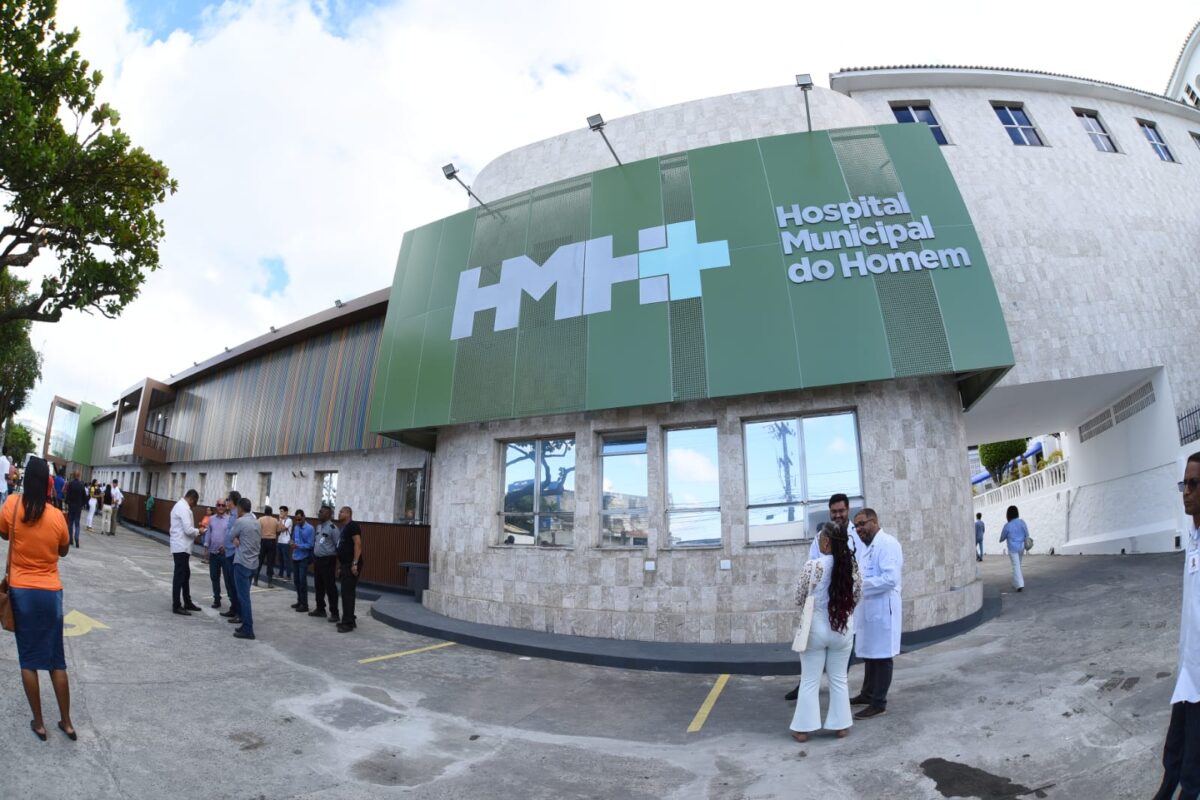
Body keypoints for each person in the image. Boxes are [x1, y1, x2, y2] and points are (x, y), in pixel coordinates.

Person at [0, 457, 75, 741]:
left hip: (21, 591)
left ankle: (40, 723)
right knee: (57, 661)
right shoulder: (56, 516)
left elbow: (3, 533)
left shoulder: (12, 504)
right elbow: (63, 550)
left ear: (24, 478)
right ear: (47, 483)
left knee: (29, 660)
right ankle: (67, 723)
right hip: (51, 592)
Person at [787, 492, 866, 702]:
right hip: (825, 607)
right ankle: (813, 689)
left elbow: (858, 580)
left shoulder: (857, 536)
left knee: (838, 670)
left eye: (841, 511)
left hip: (842, 607)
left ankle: (831, 692)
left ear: (848, 510)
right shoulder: (820, 536)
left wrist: (844, 601)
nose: (837, 515)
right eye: (834, 511)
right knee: (814, 670)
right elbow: (812, 565)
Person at [1153, 453, 1200, 800]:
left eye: (1194, 484)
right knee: (1176, 744)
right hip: (1188, 663)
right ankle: (1168, 788)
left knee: (1195, 759)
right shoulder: (1192, 535)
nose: (1186, 492)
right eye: (1184, 484)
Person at [790, 522, 862, 742]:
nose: (819, 541)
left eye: (820, 537)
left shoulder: (813, 566)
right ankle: (841, 725)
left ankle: (803, 729)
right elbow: (857, 595)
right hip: (842, 627)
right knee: (839, 678)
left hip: (816, 627)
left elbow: (798, 598)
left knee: (810, 680)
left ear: (827, 541)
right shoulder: (851, 566)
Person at [851, 508, 903, 720]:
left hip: (883, 609)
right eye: (857, 526)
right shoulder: (867, 548)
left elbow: (890, 579)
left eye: (862, 524)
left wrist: (859, 585)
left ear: (874, 521)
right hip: (870, 609)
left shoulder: (887, 544)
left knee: (882, 656)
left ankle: (879, 703)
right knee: (871, 655)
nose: (859, 529)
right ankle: (867, 694)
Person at [230, 497, 260, 640]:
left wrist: (237, 539)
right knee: (245, 596)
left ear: (240, 508)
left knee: (244, 598)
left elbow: (231, 536)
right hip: (253, 563)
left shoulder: (240, 521)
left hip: (242, 563)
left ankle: (248, 629)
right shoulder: (256, 522)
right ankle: (245, 625)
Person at [169, 490, 203, 616]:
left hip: (181, 546)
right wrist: (199, 531)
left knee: (185, 575)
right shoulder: (183, 508)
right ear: (192, 499)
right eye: (195, 503)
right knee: (179, 576)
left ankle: (187, 602)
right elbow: (188, 530)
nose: (194, 506)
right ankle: (176, 605)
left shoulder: (180, 506)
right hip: (181, 547)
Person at [310, 505, 340, 622]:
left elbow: (338, 547)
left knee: (330, 587)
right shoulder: (318, 527)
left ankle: (335, 613)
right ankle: (320, 609)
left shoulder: (333, 528)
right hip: (318, 560)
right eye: (319, 511)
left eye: (321, 512)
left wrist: (338, 565)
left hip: (328, 560)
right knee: (318, 586)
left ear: (328, 514)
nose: (319, 513)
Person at [336, 506, 363, 633]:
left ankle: (347, 624)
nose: (339, 513)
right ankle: (350, 619)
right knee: (346, 593)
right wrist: (340, 566)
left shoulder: (353, 526)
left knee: (347, 594)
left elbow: (358, 544)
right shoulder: (344, 528)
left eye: (341, 512)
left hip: (351, 564)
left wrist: (355, 563)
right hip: (345, 564)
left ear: (348, 513)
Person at [219, 492, 243, 623]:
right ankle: (233, 608)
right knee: (229, 583)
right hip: (228, 551)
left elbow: (237, 534)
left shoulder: (237, 515)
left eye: (227, 500)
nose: (226, 502)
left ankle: (239, 613)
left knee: (234, 585)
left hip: (233, 553)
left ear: (232, 501)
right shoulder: (233, 514)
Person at [203, 502, 231, 608]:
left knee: (228, 579)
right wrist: (206, 547)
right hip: (213, 553)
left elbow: (231, 535)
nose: (221, 507)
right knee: (214, 577)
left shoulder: (230, 519)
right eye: (219, 505)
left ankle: (233, 604)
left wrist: (226, 546)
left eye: (223, 505)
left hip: (226, 554)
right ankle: (216, 599)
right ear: (216, 506)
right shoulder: (211, 519)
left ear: (226, 507)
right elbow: (208, 533)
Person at [999, 505, 1028, 592]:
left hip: (1012, 548)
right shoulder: (1022, 522)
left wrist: (1001, 539)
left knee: (1016, 565)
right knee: (1018, 565)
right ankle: (1015, 583)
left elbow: (1002, 538)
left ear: (1008, 515)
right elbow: (1027, 533)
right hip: (1021, 546)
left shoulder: (1007, 525)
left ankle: (1020, 584)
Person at [290, 510, 314, 612]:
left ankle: (305, 605)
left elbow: (310, 545)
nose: (298, 521)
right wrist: (291, 543)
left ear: (304, 517)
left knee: (302, 581)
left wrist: (298, 546)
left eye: (299, 519)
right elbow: (293, 539)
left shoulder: (310, 528)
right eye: (296, 520)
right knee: (296, 581)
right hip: (295, 556)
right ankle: (299, 601)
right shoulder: (296, 527)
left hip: (303, 557)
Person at [255, 505, 280, 587]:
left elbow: (256, 530)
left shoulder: (260, 519)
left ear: (264, 512)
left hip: (262, 541)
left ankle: (255, 580)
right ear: (271, 513)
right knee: (270, 562)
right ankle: (269, 582)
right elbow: (279, 531)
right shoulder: (275, 520)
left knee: (259, 561)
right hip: (272, 542)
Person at [64, 472, 87, 549]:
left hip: (71, 506)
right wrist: (82, 504)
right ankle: (76, 537)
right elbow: (85, 497)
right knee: (77, 523)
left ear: (73, 476)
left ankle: (70, 539)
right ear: (79, 476)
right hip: (78, 507)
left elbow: (68, 495)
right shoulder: (82, 485)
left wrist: (67, 502)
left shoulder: (71, 484)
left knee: (70, 523)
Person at [276, 506, 292, 580]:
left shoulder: (289, 520)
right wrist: (280, 521)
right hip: (280, 541)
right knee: (280, 559)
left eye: (282, 511)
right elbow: (278, 530)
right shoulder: (281, 520)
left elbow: (282, 529)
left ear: (286, 512)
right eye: (280, 511)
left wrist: (280, 520)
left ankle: (288, 575)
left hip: (286, 542)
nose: (280, 513)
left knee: (286, 559)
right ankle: (280, 574)